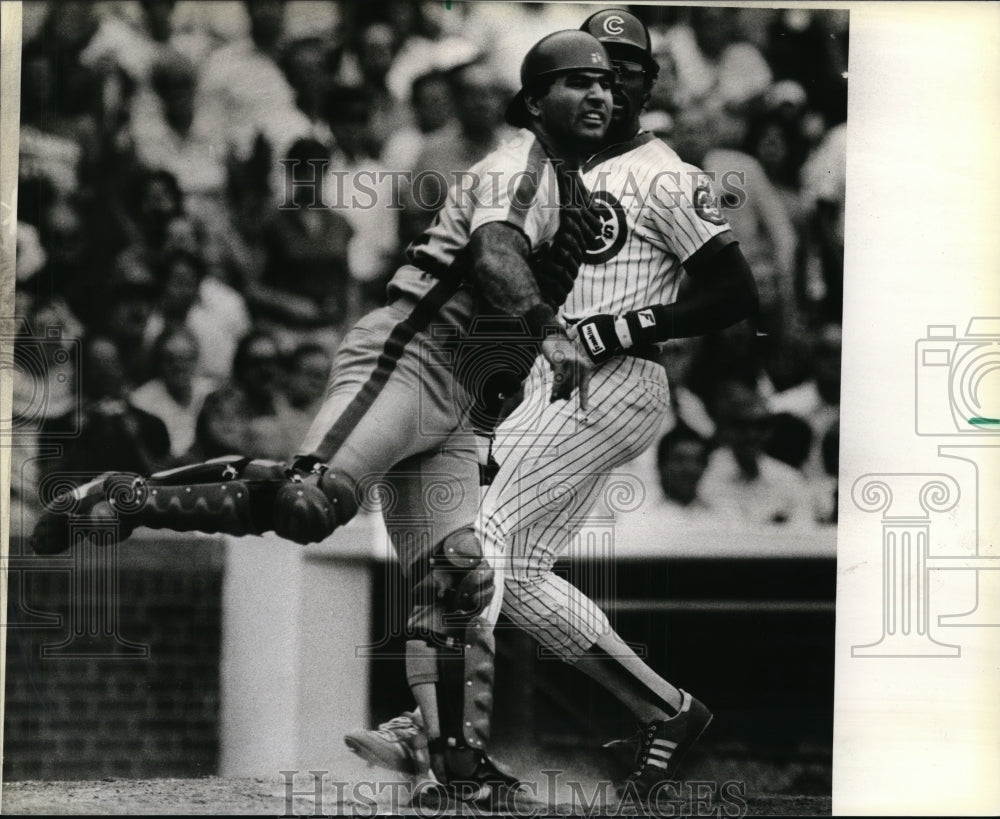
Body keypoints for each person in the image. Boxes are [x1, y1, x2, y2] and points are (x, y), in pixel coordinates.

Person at [33, 30, 614, 809]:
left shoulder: (577, 195)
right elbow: (494, 256)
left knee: (463, 575)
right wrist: (550, 330)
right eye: (577, 82)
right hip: (407, 357)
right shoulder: (519, 167)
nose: (598, 94)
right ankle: (129, 495)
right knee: (312, 504)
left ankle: (456, 768)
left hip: (459, 398)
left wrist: (498, 400)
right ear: (536, 102)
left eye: (605, 84)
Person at [345, 9, 760, 806]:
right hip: (550, 378)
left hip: (616, 376)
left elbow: (735, 290)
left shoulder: (664, 173)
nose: (610, 84)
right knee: (522, 571)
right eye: (594, 71)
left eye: (626, 70)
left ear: (648, 83)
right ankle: (666, 710)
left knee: (479, 537)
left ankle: (436, 732)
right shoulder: (549, 167)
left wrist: (629, 323)